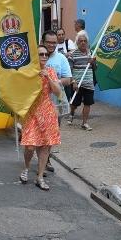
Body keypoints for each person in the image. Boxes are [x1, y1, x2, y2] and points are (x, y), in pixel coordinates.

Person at [19, 45, 61, 191]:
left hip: (47, 112)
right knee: (30, 145)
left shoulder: (50, 71)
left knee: (45, 146)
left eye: (45, 54)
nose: (44, 56)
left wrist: (48, 77)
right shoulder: (28, 72)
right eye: (40, 54)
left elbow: (57, 92)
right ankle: (26, 167)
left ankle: (40, 176)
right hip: (31, 112)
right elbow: (21, 92)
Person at [41, 30, 72, 172]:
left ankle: (46, 160)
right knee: (39, 131)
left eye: (54, 43)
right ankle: (40, 158)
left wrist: (54, 82)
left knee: (51, 133)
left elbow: (68, 79)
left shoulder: (61, 59)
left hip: (55, 102)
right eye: (49, 42)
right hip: (38, 102)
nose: (52, 45)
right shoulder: (37, 57)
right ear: (43, 42)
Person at [67, 30, 96, 130]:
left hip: (88, 83)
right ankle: (71, 113)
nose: (83, 43)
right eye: (80, 41)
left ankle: (84, 123)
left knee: (87, 103)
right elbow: (69, 71)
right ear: (77, 42)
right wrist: (73, 82)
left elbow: (95, 68)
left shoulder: (91, 53)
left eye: (84, 41)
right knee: (74, 104)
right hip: (77, 84)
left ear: (87, 42)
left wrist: (93, 62)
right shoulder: (72, 54)